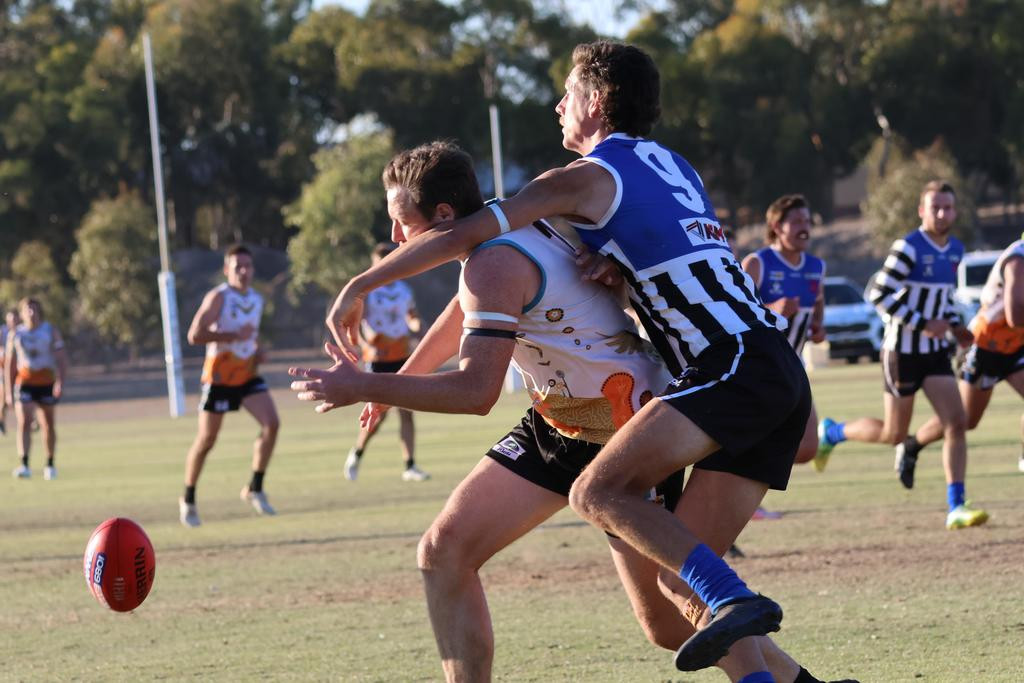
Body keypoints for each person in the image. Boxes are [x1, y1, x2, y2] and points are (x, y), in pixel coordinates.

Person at [323, 42, 815, 678]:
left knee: (632, 527)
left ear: (597, 101)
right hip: (645, 392)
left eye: (568, 92)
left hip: (678, 384)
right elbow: (486, 285)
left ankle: (731, 597)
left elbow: (468, 247)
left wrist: (360, 287)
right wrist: (619, 273)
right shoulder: (667, 168)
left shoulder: (577, 183)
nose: (558, 106)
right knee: (668, 605)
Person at [816, 181, 988, 530]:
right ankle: (833, 432)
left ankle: (956, 505)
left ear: (956, 212)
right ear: (922, 211)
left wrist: (956, 327)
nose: (942, 214)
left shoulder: (955, 250)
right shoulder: (908, 247)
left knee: (957, 421)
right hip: (901, 352)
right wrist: (924, 323)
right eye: (935, 207)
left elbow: (943, 300)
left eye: (948, 208)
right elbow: (878, 294)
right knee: (894, 434)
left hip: (934, 353)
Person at [896, 236, 1024, 481]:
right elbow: (1015, 315)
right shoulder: (1018, 259)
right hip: (986, 346)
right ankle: (912, 445)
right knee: (964, 419)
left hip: (1016, 346)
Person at [178, 244, 281, 528]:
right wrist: (233, 335)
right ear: (226, 270)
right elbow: (195, 335)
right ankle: (188, 498)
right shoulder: (218, 297)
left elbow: (250, 335)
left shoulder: (256, 299)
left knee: (272, 424)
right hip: (220, 376)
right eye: (238, 267)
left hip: (247, 374)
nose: (244, 271)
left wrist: (258, 350)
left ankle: (255, 488)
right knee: (207, 440)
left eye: (248, 266)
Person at [742, 195, 826, 470]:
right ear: (777, 227)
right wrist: (772, 309)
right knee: (758, 442)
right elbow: (735, 311)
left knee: (808, 448)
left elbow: (818, 303)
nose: (805, 228)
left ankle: (750, 469)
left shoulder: (816, 267)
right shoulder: (758, 263)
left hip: (795, 366)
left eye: (807, 221)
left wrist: (818, 326)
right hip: (760, 368)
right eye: (797, 222)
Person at [344, 243, 429, 482]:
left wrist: (417, 327)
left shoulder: (404, 290)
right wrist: (366, 344)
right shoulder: (368, 292)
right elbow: (356, 325)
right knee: (378, 415)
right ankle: (357, 452)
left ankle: (410, 465)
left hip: (401, 356)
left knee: (407, 412)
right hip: (377, 360)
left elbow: (412, 316)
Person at [5, 298, 67, 479]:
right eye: (27, 310)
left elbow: (61, 358)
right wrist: (8, 392)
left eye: (34, 309)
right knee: (24, 421)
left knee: (48, 424)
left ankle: (50, 464)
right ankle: (24, 464)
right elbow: (10, 364)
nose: (31, 313)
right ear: (22, 313)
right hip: (24, 382)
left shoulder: (50, 331)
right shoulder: (16, 334)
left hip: (46, 382)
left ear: (40, 312)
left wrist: (60, 381)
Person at [0, 308, 21, 435]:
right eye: (10, 319)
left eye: (14, 318)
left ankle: (30, 420)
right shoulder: (3, 331)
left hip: (19, 370)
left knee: (24, 396)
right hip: (4, 370)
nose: (12, 321)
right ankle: (1, 420)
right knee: (4, 399)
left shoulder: (22, 331)